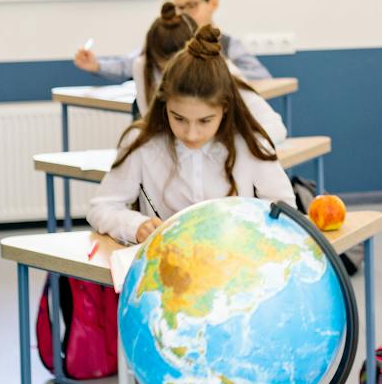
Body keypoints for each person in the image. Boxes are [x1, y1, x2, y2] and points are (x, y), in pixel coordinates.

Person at [86, 25, 292, 245]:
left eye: (205, 121)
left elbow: (285, 212)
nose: (191, 134)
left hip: (237, 265)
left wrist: (248, 229)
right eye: (179, 118)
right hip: (170, 267)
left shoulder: (250, 143)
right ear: (164, 106)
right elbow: (102, 207)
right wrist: (135, 226)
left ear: (225, 108)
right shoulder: (143, 143)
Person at [132, 1, 288, 147]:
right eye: (163, 69)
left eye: (181, 68)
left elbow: (274, 127)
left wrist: (231, 150)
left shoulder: (222, 72)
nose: (174, 77)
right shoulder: (143, 66)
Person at [72, 0, 272, 82]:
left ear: (213, 3)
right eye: (179, 7)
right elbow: (130, 64)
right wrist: (96, 66)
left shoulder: (227, 45)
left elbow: (262, 78)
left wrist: (218, 71)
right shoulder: (165, 40)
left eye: (191, 6)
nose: (184, 13)